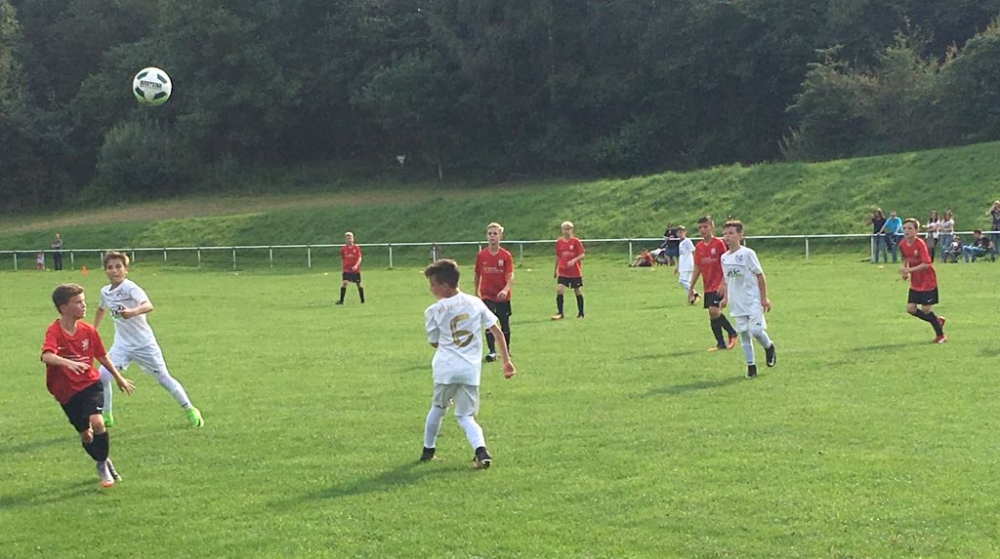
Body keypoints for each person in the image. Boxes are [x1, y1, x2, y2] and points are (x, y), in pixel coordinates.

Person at [420, 259, 515, 468]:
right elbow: (497, 331)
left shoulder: (433, 310)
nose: (431, 288)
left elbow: (434, 342)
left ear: (445, 285)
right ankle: (481, 451)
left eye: (433, 284)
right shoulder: (476, 303)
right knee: (466, 416)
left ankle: (428, 451)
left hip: (446, 369)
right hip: (470, 370)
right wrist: (506, 361)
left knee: (438, 407)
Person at [94, 251, 203, 427]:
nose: (114, 270)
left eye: (118, 266)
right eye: (110, 267)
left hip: (144, 344)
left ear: (126, 269)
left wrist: (132, 312)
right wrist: (93, 330)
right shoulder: (105, 291)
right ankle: (107, 415)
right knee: (102, 376)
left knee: (163, 379)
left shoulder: (130, 288)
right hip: (122, 345)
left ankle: (190, 409)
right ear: (105, 271)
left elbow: (148, 305)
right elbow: (101, 308)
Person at [41, 284, 135, 487]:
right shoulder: (54, 331)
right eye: (78, 302)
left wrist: (118, 378)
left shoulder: (88, 331)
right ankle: (104, 460)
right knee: (86, 434)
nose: (84, 306)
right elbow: (47, 355)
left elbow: (101, 356)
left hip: (90, 384)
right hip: (66, 391)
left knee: (98, 423)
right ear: (64, 308)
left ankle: (101, 464)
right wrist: (68, 363)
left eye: (83, 301)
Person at [718, 221, 776, 378]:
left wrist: (764, 298)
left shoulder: (748, 253)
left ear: (740, 235)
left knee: (756, 331)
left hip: (752, 300)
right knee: (744, 334)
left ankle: (769, 346)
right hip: (737, 302)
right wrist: (725, 298)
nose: (727, 236)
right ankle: (751, 367)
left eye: (731, 233)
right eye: (725, 234)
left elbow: (760, 275)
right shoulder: (724, 257)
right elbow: (727, 280)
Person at [687, 216, 738, 350]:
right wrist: (691, 287)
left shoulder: (719, 244)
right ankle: (720, 343)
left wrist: (723, 283)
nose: (703, 230)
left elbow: (726, 263)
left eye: (705, 227)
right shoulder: (699, 247)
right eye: (700, 227)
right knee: (712, 314)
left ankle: (732, 332)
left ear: (712, 227)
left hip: (718, 284)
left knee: (714, 310)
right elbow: (697, 267)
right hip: (708, 285)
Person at [898, 218, 947, 344]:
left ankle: (941, 335)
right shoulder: (902, 244)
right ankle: (937, 320)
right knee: (910, 309)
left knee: (926, 309)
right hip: (916, 281)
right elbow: (906, 258)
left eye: (910, 228)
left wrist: (909, 270)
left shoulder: (920, 244)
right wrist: (905, 271)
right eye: (904, 228)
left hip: (927, 280)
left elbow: (926, 263)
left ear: (916, 231)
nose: (906, 231)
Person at [474, 222, 514, 362]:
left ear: (500, 236)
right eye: (490, 233)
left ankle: (506, 350)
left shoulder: (506, 255)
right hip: (487, 294)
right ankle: (492, 351)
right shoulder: (481, 255)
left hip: (502, 296)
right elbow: (477, 274)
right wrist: (476, 292)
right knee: (489, 322)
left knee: (504, 322)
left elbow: (510, 276)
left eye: (495, 233)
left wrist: (505, 289)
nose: (492, 236)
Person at [552, 221, 585, 320]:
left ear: (572, 230)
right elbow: (557, 256)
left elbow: (582, 254)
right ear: (562, 230)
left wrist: (574, 260)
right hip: (563, 271)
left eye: (569, 229)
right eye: (565, 229)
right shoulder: (559, 242)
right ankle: (560, 313)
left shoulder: (575, 241)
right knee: (559, 289)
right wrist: (555, 270)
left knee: (577, 290)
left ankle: (581, 313)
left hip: (574, 272)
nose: (567, 231)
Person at [336, 231, 365, 305]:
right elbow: (343, 258)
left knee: (358, 284)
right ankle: (341, 301)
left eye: (350, 238)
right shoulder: (343, 249)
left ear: (353, 238)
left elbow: (359, 257)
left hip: (355, 270)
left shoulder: (356, 248)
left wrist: (356, 265)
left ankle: (362, 300)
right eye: (347, 238)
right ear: (345, 239)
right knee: (345, 283)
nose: (349, 239)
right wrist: (344, 266)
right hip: (346, 270)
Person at [674, 225, 699, 304]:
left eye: (681, 232)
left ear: (685, 232)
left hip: (688, 264)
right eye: (678, 233)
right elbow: (680, 255)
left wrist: (696, 262)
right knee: (687, 283)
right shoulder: (680, 243)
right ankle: (691, 299)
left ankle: (695, 293)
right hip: (683, 265)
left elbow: (693, 251)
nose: (680, 234)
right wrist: (677, 266)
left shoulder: (687, 241)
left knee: (682, 281)